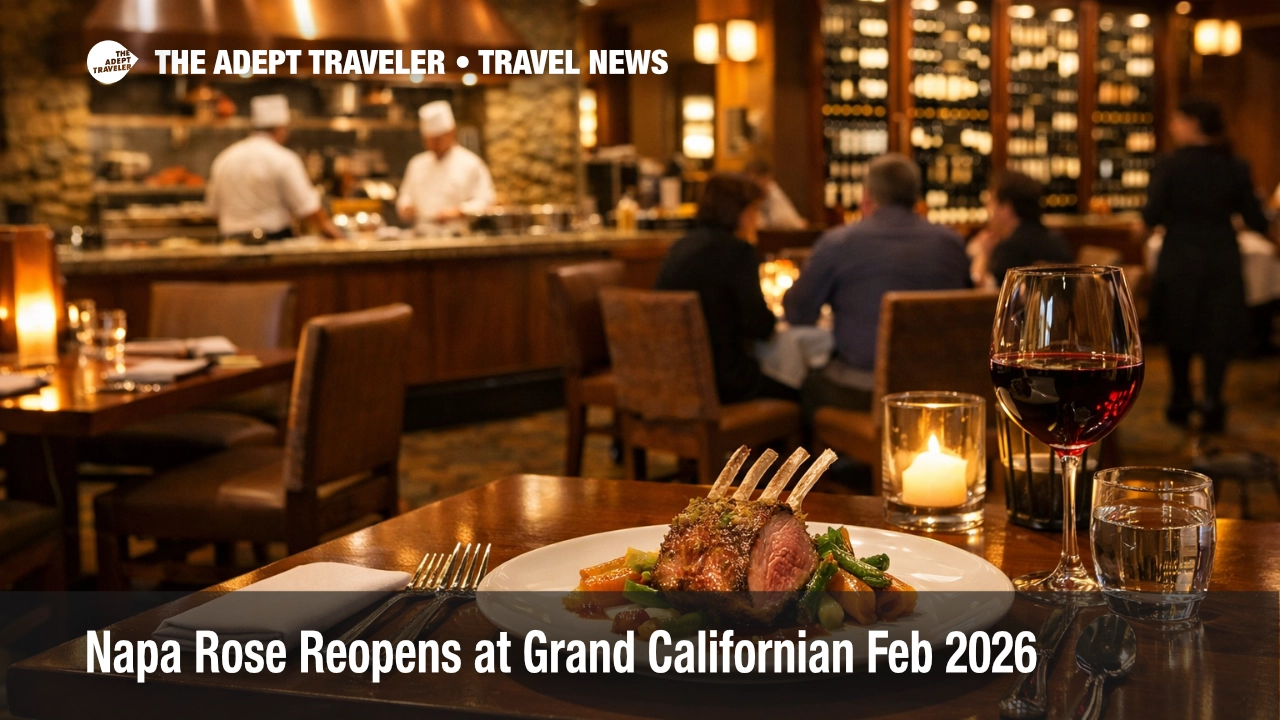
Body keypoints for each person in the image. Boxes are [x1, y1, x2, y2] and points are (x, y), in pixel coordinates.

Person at [783, 153, 969, 413]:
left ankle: (838, 451)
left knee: (802, 384)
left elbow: (797, 312)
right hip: (938, 386)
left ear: (867, 196)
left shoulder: (839, 242)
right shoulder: (951, 244)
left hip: (864, 391)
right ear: (916, 196)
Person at [1143, 96, 1270, 433]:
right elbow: (1256, 220)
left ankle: (1180, 397)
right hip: (1220, 257)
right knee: (1218, 331)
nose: (1171, 127)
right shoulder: (1235, 165)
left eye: (1176, 120)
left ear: (1191, 124)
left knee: (1178, 329)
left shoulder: (1170, 165)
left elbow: (1152, 215)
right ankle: (1213, 400)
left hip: (1180, 255)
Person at [654, 173, 796, 404]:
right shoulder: (737, 251)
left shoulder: (682, 245)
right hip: (721, 382)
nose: (756, 221)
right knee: (802, 389)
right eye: (754, 211)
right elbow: (760, 326)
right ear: (739, 212)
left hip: (673, 376)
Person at [206, 94, 342, 240]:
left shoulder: (225, 158)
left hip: (230, 243)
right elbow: (308, 209)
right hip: (273, 242)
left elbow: (214, 210)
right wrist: (337, 237)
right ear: (281, 128)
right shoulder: (284, 159)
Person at [397, 101, 495, 234]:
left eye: (437, 139)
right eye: (428, 140)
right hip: (422, 235)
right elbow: (405, 197)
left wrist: (459, 212)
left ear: (451, 133)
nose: (432, 145)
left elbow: (486, 201)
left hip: (459, 235)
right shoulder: (416, 164)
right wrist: (406, 208)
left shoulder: (471, 164)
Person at [968, 171, 1073, 288]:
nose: (988, 210)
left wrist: (983, 253)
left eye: (991, 203)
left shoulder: (1011, 247)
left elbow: (989, 293)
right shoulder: (1056, 239)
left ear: (1006, 208)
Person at [745, 159, 807, 230]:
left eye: (754, 179)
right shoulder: (747, 194)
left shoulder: (773, 192)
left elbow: (784, 221)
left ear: (766, 178)